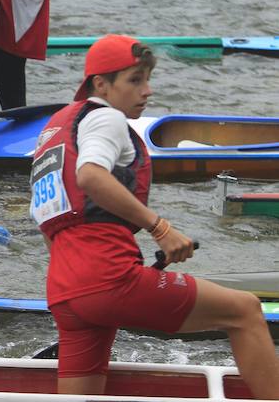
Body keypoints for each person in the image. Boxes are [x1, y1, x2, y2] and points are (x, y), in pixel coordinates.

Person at [29, 34, 279, 398]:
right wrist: (161, 229)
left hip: (65, 291)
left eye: (147, 79)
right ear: (101, 84)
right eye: (134, 80)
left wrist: (84, 277)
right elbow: (90, 176)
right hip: (108, 278)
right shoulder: (106, 119)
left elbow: (46, 214)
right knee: (244, 310)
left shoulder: (55, 130)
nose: (147, 91)